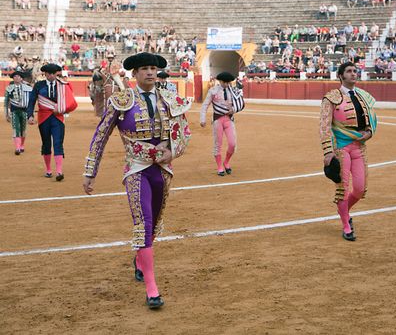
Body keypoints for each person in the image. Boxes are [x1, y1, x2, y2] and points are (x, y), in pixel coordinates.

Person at [82, 52, 191, 309]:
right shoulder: (122, 100)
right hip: (136, 169)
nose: (150, 73)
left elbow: (184, 132)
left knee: (154, 224)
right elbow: (101, 135)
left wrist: (171, 148)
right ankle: (152, 289)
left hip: (163, 169)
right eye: (144, 69)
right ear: (135, 74)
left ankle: (140, 260)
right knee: (143, 223)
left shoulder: (168, 98)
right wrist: (90, 171)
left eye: (153, 68)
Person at [319, 62, 378, 241]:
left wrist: (368, 132)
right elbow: (324, 126)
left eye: (355, 71)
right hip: (340, 148)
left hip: (359, 146)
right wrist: (328, 152)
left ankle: (343, 210)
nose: (353, 74)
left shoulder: (363, 96)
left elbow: (372, 120)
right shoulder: (331, 98)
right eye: (349, 71)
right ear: (341, 76)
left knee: (360, 189)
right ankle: (346, 225)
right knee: (342, 189)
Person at [27, 64, 78, 181]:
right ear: (45, 74)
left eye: (52, 74)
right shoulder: (39, 85)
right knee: (46, 143)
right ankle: (48, 169)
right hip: (43, 118)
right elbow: (31, 101)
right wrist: (30, 115)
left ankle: (59, 171)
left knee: (58, 143)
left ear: (56, 74)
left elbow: (70, 101)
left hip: (58, 118)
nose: (50, 76)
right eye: (47, 74)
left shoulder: (62, 85)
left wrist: (62, 109)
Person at [200, 72, 245, 176]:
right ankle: (220, 166)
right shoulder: (213, 90)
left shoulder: (233, 91)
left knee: (232, 144)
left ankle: (226, 162)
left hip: (229, 119)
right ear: (220, 81)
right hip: (218, 120)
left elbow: (238, 103)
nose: (226, 84)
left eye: (228, 82)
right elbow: (205, 105)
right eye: (224, 82)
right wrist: (202, 119)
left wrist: (233, 109)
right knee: (218, 144)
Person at [4, 71, 32, 155]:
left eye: (18, 76)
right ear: (13, 78)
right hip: (14, 111)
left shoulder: (28, 88)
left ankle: (22, 145)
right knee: (16, 129)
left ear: (21, 78)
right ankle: (17, 148)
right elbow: (6, 102)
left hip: (24, 111)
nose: (16, 78)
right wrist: (6, 114)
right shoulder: (9, 88)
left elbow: (31, 101)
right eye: (15, 76)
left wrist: (31, 114)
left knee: (23, 129)